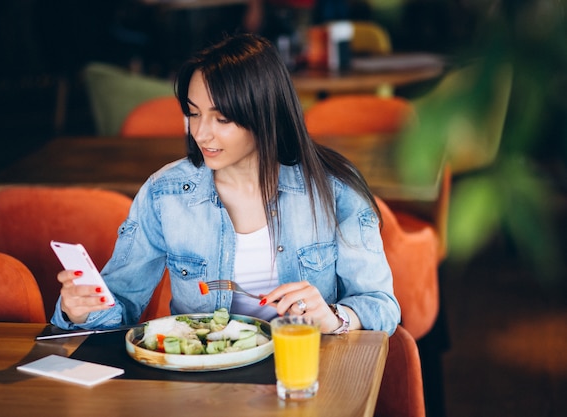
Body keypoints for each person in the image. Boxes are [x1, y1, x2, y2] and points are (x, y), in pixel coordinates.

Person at [52, 33, 400, 335]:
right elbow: (120, 305)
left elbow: (381, 305)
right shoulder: (165, 195)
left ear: (265, 115)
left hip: (305, 373)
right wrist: (79, 309)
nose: (201, 133)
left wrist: (334, 317)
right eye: (193, 113)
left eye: (222, 118)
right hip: (201, 385)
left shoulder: (335, 189)